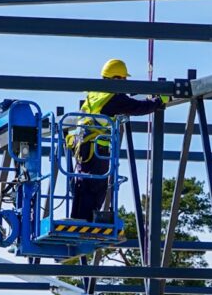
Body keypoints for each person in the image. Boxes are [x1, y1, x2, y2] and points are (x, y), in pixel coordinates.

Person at [69, 58, 166, 222]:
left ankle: (77, 219)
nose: (126, 82)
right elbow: (138, 107)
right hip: (97, 149)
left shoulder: (95, 94)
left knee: (82, 184)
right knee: (96, 186)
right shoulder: (113, 98)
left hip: (83, 146)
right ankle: (88, 222)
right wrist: (159, 101)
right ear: (116, 79)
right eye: (124, 79)